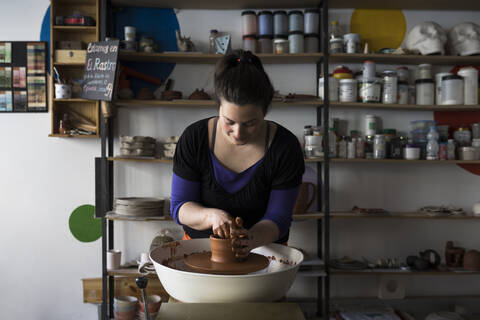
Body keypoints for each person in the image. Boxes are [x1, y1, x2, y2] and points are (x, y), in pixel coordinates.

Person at [170, 49, 305, 258]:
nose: (238, 133)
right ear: (218, 108)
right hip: (200, 253)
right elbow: (180, 207)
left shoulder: (284, 147)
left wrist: (251, 239)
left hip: (264, 252)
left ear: (265, 112)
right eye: (229, 122)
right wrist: (211, 216)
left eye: (251, 123)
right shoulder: (194, 138)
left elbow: (279, 217)